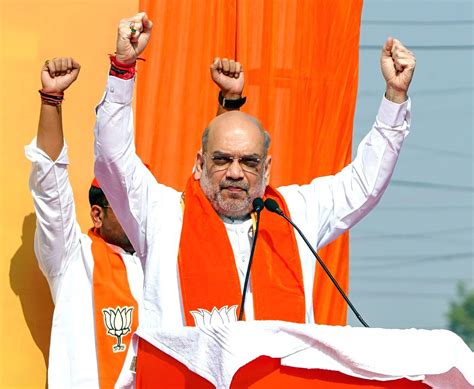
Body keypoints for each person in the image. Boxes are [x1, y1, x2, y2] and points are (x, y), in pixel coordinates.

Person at [94, 12, 415, 329]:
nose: (235, 173)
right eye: (222, 160)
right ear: (199, 164)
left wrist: (394, 98)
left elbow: (362, 184)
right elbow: (113, 159)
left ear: (267, 169)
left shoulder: (295, 214)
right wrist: (123, 70)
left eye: (249, 162)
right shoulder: (163, 216)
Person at [27, 53, 243, 388]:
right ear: (97, 215)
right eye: (122, 205)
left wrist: (229, 102)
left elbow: (209, 194)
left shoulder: (168, 249)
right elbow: (49, 186)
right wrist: (51, 100)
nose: (135, 210)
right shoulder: (71, 258)